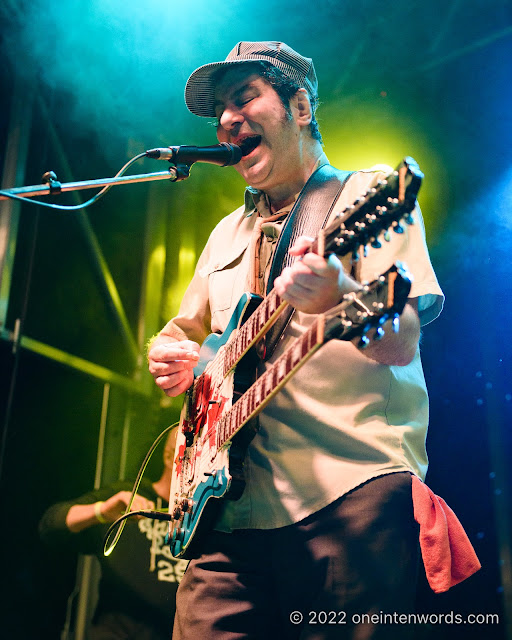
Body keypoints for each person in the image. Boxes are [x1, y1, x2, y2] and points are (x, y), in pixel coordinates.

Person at [147, 41, 447, 639]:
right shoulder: (224, 234)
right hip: (228, 518)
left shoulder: (370, 196)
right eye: (219, 114)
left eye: (245, 98)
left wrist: (336, 297)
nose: (228, 120)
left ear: (300, 106)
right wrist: (176, 359)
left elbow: (401, 342)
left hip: (348, 496)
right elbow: (194, 344)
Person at [39, 426, 188, 639]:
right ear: (169, 456)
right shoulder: (131, 495)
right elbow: (50, 526)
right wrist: (101, 511)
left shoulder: (208, 509)